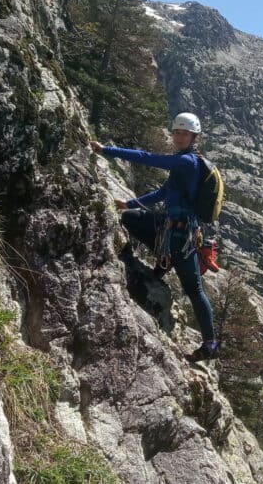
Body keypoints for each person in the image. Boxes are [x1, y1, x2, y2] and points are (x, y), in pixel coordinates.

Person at [90, 112, 219, 362]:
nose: (180, 137)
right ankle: (164, 261)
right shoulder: (185, 162)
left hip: (182, 235)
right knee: (131, 217)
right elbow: (163, 192)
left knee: (193, 289)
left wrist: (107, 150)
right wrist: (129, 203)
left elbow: (148, 158)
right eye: (177, 132)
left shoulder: (187, 163)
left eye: (185, 133)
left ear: (194, 137)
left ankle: (210, 343)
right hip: (173, 226)